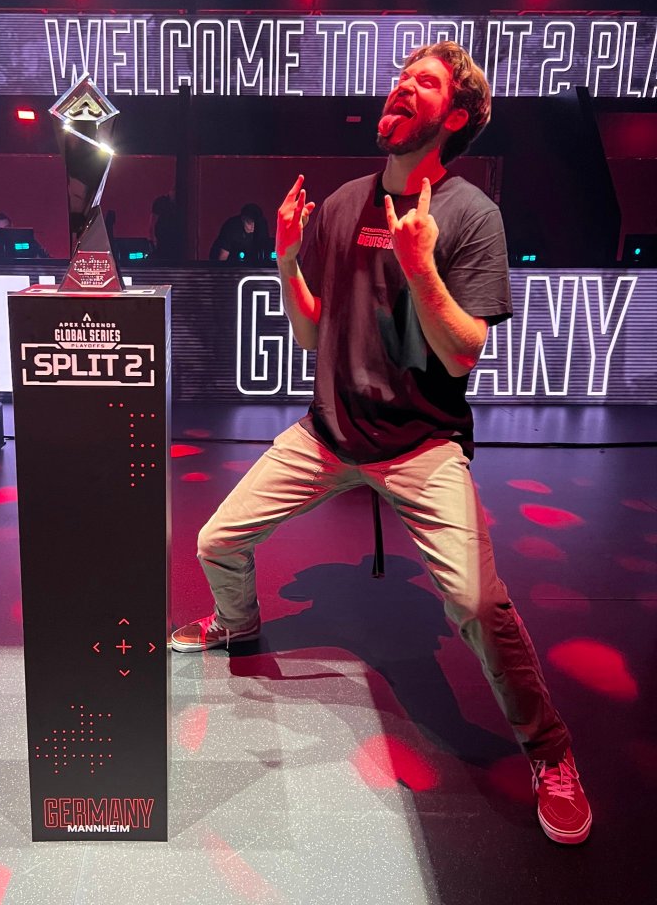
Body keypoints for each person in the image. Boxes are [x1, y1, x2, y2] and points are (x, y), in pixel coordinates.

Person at [171, 41, 592, 846]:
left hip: (420, 445)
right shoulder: (342, 203)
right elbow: (311, 332)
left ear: (454, 117)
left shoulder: (471, 215)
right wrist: (286, 258)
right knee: (216, 541)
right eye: (400, 77)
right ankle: (236, 621)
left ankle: (552, 753)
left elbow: (462, 354)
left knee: (476, 604)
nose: (400, 86)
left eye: (421, 83)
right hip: (328, 432)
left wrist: (420, 267)